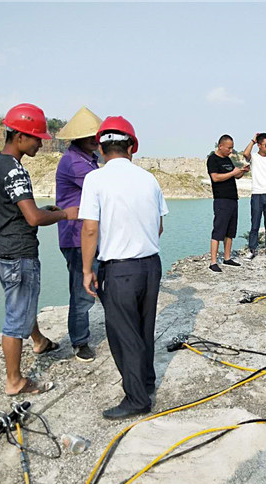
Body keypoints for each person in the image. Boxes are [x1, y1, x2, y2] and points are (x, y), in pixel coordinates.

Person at [0, 103, 79, 396]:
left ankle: (38, 341)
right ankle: (15, 381)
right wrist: (65, 214)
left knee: (21, 302)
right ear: (19, 137)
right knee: (15, 316)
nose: (40, 143)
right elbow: (34, 219)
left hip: (2, 249)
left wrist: (41, 209)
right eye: (37, 137)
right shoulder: (14, 170)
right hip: (18, 254)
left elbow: (19, 210)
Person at [80, 116, 169, 419]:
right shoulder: (149, 179)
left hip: (119, 269)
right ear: (132, 147)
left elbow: (90, 229)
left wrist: (87, 269)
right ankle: (146, 381)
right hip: (151, 266)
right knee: (145, 327)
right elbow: (158, 226)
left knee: (123, 334)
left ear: (102, 149)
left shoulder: (95, 179)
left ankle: (137, 399)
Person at [55, 107, 102, 362]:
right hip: (76, 236)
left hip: (89, 233)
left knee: (97, 282)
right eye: (90, 136)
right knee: (81, 290)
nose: (96, 139)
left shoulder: (89, 159)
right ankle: (80, 341)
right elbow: (103, 188)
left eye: (98, 135)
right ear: (78, 138)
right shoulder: (74, 162)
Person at [207, 135, 249, 272]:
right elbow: (215, 177)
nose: (231, 150)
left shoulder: (228, 159)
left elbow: (235, 175)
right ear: (220, 146)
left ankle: (227, 258)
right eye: (229, 148)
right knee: (218, 230)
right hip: (221, 199)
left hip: (233, 199)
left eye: (232, 148)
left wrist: (241, 171)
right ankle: (213, 262)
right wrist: (232, 173)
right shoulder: (213, 159)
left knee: (230, 231)